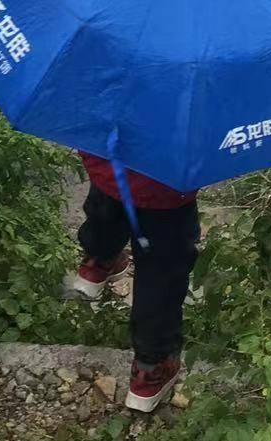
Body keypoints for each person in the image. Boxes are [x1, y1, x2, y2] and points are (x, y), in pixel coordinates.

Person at [63, 151, 200, 414]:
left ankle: (97, 261)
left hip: (109, 159)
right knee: (162, 270)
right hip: (168, 185)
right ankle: (151, 369)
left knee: (110, 190)